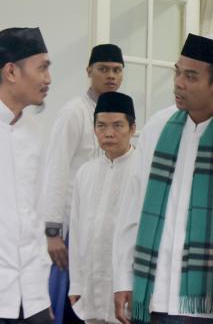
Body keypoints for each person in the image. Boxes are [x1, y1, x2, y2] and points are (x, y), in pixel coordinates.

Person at [111, 33, 213, 324]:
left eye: (191, 76)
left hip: (208, 300)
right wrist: (123, 279)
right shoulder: (156, 129)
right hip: (153, 291)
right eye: (177, 72)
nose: (178, 83)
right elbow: (133, 206)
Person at [40, 42, 124, 324]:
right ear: (89, 71)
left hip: (103, 231)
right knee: (69, 306)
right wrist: (53, 231)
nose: (110, 76)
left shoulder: (118, 115)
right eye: (103, 69)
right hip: (69, 232)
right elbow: (56, 169)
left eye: (116, 70)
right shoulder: (75, 112)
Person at [67, 92, 137, 324]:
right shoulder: (85, 173)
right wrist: (75, 283)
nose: (108, 133)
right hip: (90, 284)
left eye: (118, 125)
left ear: (132, 128)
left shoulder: (143, 170)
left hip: (127, 287)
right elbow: (77, 232)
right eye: (101, 126)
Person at [0, 27, 52, 324]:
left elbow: (35, 215)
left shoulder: (34, 131)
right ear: (11, 72)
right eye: (42, 67)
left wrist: (40, 298)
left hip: (31, 301)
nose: (48, 79)